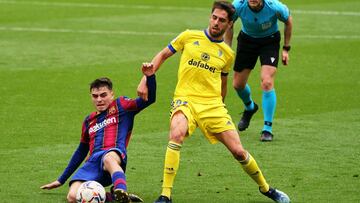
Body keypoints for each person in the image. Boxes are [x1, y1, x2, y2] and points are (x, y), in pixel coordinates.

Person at [137, 1, 290, 202]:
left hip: (212, 106)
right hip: (186, 100)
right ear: (210, 17)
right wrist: (145, 79)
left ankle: (266, 188)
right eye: (214, 17)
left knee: (238, 151)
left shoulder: (227, 54)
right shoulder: (189, 36)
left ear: (229, 25)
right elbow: (164, 54)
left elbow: (223, 82)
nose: (216, 23)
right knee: (176, 134)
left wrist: (221, 107)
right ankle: (165, 195)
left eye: (222, 20)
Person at [40, 65, 156, 203]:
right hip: (92, 162)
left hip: (113, 155)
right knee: (72, 197)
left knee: (108, 158)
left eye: (103, 95)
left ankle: (121, 189)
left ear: (112, 94)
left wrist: (150, 76)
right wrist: (61, 180)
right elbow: (81, 151)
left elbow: (150, 99)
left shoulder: (122, 106)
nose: (99, 99)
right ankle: (113, 197)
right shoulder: (89, 121)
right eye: (95, 96)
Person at [224, 0, 293, 141]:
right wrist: (227, 49)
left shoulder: (275, 7)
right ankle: (250, 107)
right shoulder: (238, 6)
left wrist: (286, 48)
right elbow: (229, 24)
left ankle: (267, 129)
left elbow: (288, 20)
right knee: (238, 85)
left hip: (270, 41)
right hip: (247, 41)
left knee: (267, 81)